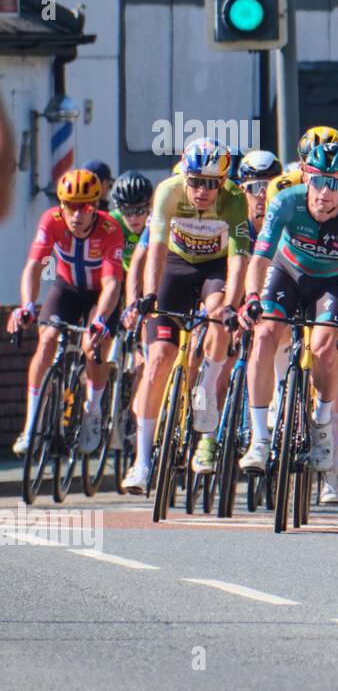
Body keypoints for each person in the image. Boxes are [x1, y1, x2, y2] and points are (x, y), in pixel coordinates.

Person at [237, 143, 338, 504]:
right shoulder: (286, 201)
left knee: (327, 347)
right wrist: (251, 299)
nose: (325, 193)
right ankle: (260, 438)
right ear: (306, 177)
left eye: (335, 184)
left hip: (332, 281)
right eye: (318, 181)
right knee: (264, 334)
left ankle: (322, 425)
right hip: (287, 273)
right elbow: (260, 259)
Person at [124, 139, 249, 492]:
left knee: (217, 313)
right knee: (159, 360)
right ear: (184, 173)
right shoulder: (167, 192)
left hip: (215, 268)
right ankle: (142, 461)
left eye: (212, 183)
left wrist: (232, 304)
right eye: (195, 180)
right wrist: (149, 296)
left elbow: (239, 259)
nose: (202, 190)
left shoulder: (235, 200)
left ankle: (206, 389)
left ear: (224, 180)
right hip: (176, 266)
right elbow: (156, 250)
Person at [9, 169, 124, 455]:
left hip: (101, 294)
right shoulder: (51, 220)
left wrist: (99, 322)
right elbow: (34, 266)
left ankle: (92, 411)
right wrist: (26, 305)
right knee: (47, 340)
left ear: (95, 206)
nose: (76, 214)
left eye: (84, 207)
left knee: (91, 348)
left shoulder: (110, 230)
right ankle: (31, 425)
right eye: (69, 205)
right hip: (68, 289)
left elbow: (112, 284)